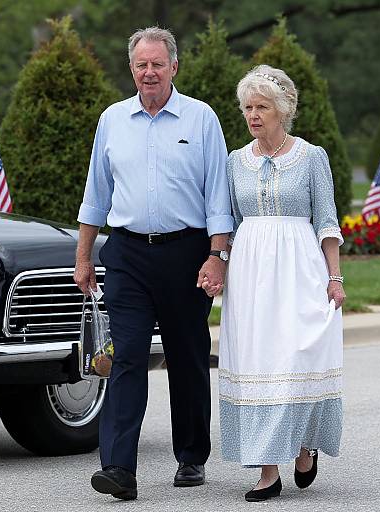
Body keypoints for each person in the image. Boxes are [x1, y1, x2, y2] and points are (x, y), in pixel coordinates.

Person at [74, 27, 233, 501]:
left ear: (174, 68)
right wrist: (83, 257)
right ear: (131, 68)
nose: (149, 72)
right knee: (125, 356)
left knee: (186, 355)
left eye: (157, 64)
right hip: (126, 254)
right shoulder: (112, 120)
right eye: (141, 65)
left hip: (186, 253)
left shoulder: (201, 119)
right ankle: (119, 467)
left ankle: (191, 456)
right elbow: (95, 196)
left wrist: (217, 255)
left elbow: (218, 197)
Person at [215, 65, 346, 502]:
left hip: (299, 269)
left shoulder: (311, 157)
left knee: (295, 359)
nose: (253, 115)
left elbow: (326, 222)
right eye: (248, 107)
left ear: (283, 110)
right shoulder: (236, 161)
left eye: (262, 107)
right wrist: (220, 264)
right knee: (257, 363)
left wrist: (335, 277)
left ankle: (305, 445)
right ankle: (267, 470)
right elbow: (229, 223)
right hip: (250, 273)